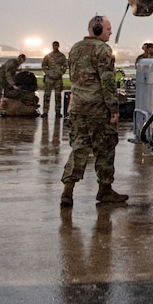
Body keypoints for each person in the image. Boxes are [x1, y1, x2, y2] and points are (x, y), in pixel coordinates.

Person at [60, 14, 127, 207]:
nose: (110, 32)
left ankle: (67, 191)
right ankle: (105, 190)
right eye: (108, 29)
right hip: (97, 109)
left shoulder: (75, 48)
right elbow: (107, 82)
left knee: (79, 148)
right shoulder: (103, 50)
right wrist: (113, 108)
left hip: (77, 107)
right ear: (97, 30)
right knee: (105, 148)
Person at [41, 41, 68, 118]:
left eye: (56, 45)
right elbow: (43, 65)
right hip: (49, 78)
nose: (55, 47)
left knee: (58, 96)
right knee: (47, 95)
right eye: (54, 45)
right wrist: (47, 73)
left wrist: (61, 72)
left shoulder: (62, 56)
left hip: (58, 78)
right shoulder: (48, 56)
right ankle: (45, 112)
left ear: (58, 46)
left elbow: (65, 65)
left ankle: (58, 112)